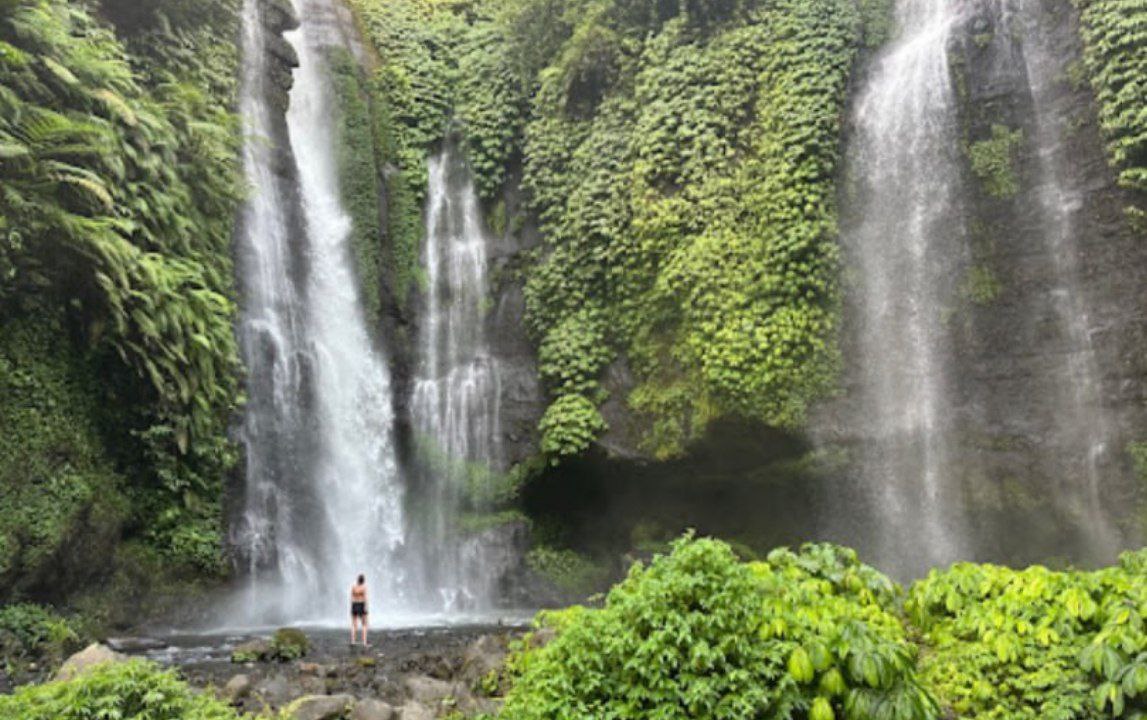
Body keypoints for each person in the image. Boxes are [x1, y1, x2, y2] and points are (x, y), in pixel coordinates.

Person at [350, 574, 369, 646]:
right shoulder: (364, 588)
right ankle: (364, 642)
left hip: (354, 605)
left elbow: (351, 597)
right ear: (363, 581)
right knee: (364, 624)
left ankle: (353, 641)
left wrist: (352, 607)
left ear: (357, 580)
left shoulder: (353, 587)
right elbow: (365, 598)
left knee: (354, 625)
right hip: (361, 605)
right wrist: (366, 608)